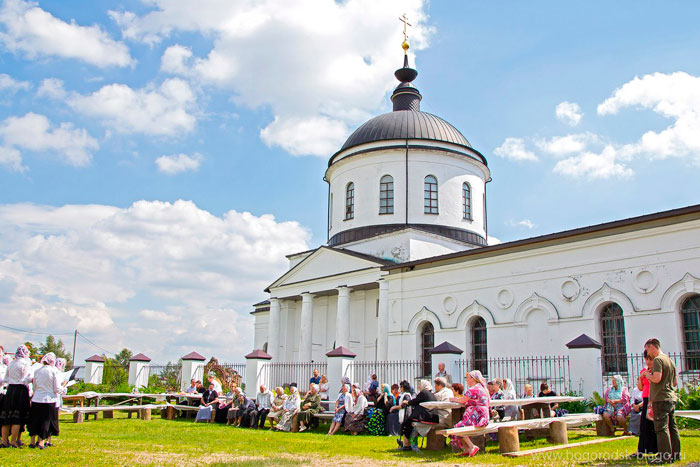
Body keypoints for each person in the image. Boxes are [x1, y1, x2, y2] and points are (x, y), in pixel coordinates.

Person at [643, 338, 680, 464]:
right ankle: (676, 454)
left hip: (660, 398)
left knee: (661, 428)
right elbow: (675, 382)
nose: (648, 354)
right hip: (670, 397)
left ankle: (664, 457)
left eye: (647, 350)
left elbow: (657, 378)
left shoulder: (658, 360)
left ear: (652, 347)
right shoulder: (669, 360)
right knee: (672, 427)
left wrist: (648, 375)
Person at [28, 353, 66, 449]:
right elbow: (57, 388)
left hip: (37, 398)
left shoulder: (37, 371)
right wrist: (64, 388)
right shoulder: (54, 371)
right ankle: (41, 442)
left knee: (35, 420)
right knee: (46, 421)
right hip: (49, 399)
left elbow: (35, 386)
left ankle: (32, 441)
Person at [449, 370, 490, 457]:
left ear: (473, 379)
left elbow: (462, 400)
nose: (466, 380)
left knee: (458, 427)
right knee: (460, 426)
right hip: (483, 416)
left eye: (468, 378)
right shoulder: (482, 388)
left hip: (477, 415)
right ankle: (467, 449)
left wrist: (453, 399)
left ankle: (471, 447)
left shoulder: (474, 389)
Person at [0, 344, 32, 448]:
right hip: (20, 390)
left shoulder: (11, 363)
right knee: (17, 417)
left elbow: (5, 379)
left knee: (7, 416)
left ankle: (4, 441)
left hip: (10, 390)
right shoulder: (25, 364)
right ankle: (14, 441)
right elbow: (26, 378)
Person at [630, 350, 657, 457]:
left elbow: (655, 383)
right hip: (645, 398)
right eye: (646, 359)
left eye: (650, 359)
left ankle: (656, 449)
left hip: (653, 398)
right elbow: (640, 387)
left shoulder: (655, 371)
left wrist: (648, 375)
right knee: (643, 425)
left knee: (653, 425)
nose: (648, 361)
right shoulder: (644, 371)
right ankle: (641, 450)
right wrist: (641, 377)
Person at [398, 379, 437, 453]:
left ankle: (406, 445)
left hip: (425, 417)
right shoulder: (431, 394)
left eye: (420, 385)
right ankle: (407, 444)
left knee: (406, 424)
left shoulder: (423, 393)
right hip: (433, 417)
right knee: (409, 423)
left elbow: (415, 401)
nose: (419, 387)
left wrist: (408, 402)